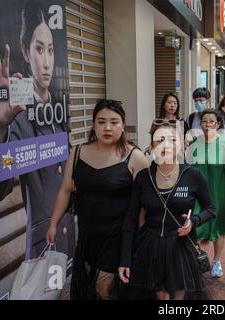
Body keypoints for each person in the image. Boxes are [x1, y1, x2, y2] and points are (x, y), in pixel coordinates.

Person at [0, 1, 75, 259]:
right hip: (44, 248)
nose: (46, 63)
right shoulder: (19, 115)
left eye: (50, 50)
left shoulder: (58, 110)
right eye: (38, 49)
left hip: (69, 240)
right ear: (25, 51)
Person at [46, 99, 148, 299]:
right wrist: (53, 223)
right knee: (89, 287)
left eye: (114, 122)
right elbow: (66, 190)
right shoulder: (77, 153)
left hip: (119, 236)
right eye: (101, 122)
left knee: (106, 287)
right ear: (93, 124)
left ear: (123, 125)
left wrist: (142, 238)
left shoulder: (135, 157)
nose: (107, 127)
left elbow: (144, 204)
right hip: (88, 236)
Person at [119, 120, 216, 300]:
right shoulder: (143, 177)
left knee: (179, 295)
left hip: (180, 247)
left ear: (180, 144)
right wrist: (125, 259)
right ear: (151, 146)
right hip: (150, 246)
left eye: (172, 140)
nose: (166, 145)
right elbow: (130, 219)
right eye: (160, 140)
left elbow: (210, 209)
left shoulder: (193, 175)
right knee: (160, 295)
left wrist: (193, 221)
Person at [186, 110, 225, 278]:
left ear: (218, 125)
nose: (208, 125)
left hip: (220, 193)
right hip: (197, 196)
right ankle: (195, 259)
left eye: (212, 121)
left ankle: (217, 261)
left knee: (219, 228)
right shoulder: (193, 145)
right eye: (204, 121)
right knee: (195, 228)